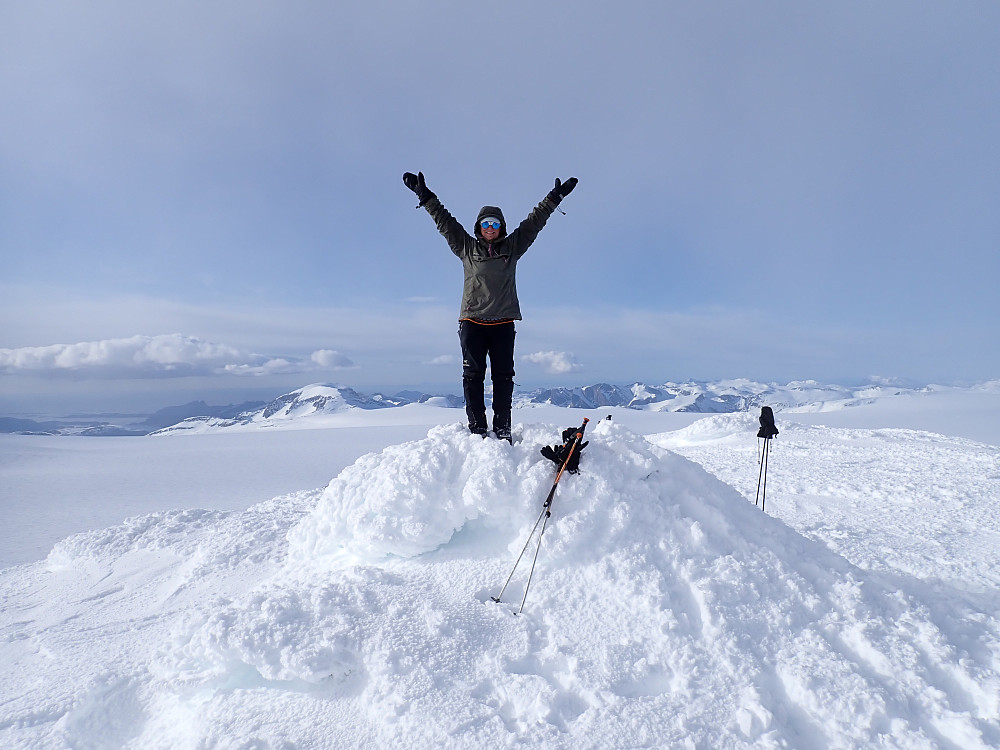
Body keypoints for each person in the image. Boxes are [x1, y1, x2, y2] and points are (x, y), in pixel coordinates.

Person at [402, 171, 578, 441]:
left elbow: (534, 222)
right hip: (472, 321)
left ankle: (503, 427)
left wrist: (554, 198)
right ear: (479, 226)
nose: (491, 227)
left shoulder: (513, 247)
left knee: (503, 377)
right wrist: (425, 196)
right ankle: (477, 428)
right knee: (473, 376)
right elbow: (444, 221)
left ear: (501, 227)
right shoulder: (466, 247)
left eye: (495, 223)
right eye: (486, 223)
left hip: (504, 322)